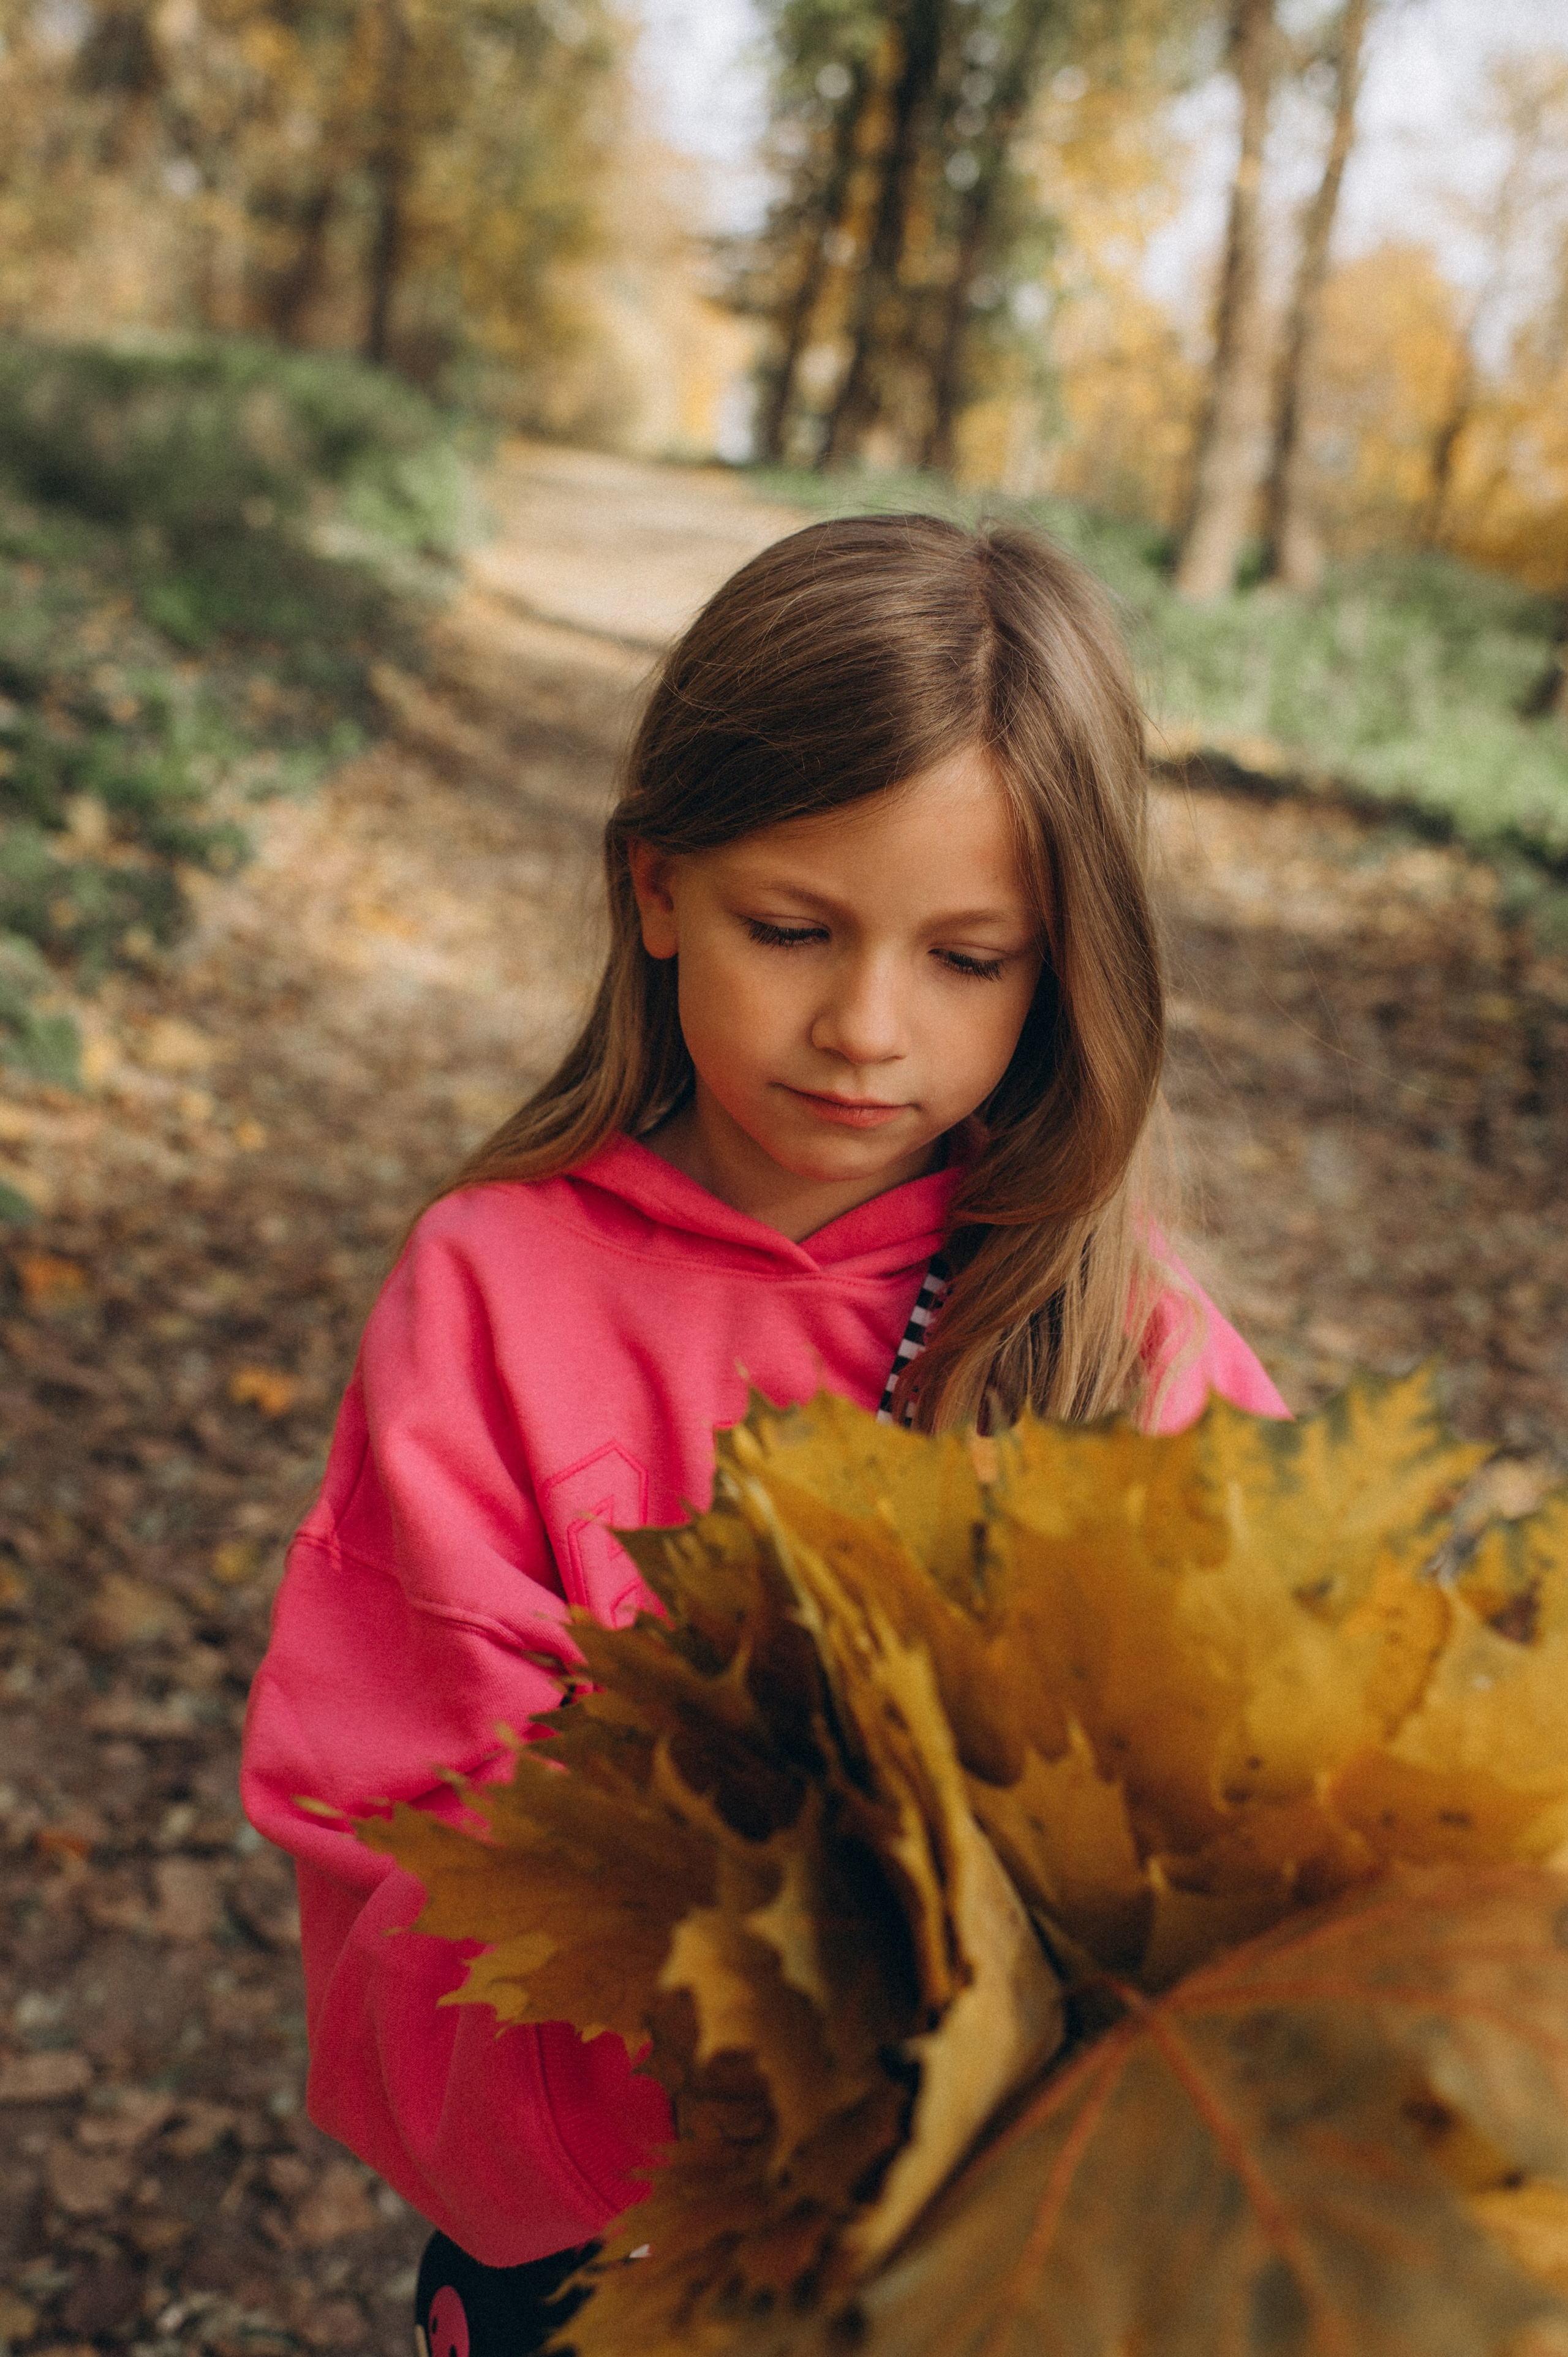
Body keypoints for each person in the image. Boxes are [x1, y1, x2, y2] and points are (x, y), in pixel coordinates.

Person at [240, 513, 1287, 2356]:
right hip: (615, 2259)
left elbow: (1288, 1816)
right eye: (792, 928)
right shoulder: (496, 1296)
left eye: (973, 960)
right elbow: (412, 1869)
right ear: (656, 888)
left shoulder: (1119, 1335)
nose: (867, 1028)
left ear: (1067, 970)